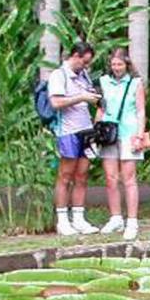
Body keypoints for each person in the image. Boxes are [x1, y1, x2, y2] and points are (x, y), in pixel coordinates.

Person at [48, 41, 101, 235]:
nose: (85, 66)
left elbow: (88, 96)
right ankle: (63, 220)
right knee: (65, 175)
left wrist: (93, 97)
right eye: (84, 62)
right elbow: (55, 102)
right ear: (75, 56)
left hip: (85, 130)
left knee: (82, 175)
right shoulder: (59, 75)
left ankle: (79, 218)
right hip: (68, 131)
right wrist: (81, 97)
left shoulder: (83, 75)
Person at [95, 47, 148, 241]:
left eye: (120, 64)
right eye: (114, 64)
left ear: (127, 65)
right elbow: (101, 109)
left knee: (129, 178)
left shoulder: (135, 83)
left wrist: (140, 135)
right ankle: (115, 217)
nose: (116, 67)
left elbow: (141, 111)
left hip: (129, 133)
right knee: (110, 178)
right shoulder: (103, 82)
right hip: (108, 133)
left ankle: (132, 220)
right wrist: (96, 130)